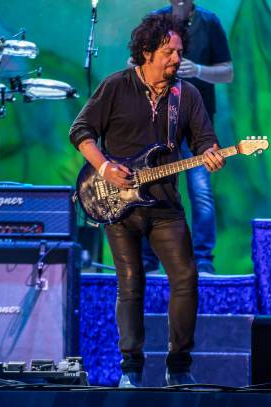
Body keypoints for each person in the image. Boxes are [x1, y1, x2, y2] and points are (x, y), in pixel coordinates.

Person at [69, 13, 225, 387]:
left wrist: (213, 152)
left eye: (179, 52)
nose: (176, 58)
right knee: (129, 282)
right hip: (116, 203)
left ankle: (179, 365)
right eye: (169, 52)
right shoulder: (115, 87)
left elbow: (204, 140)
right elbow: (80, 131)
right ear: (145, 52)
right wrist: (104, 167)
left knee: (187, 277)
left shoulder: (185, 95)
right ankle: (131, 369)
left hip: (165, 207)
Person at [140, 0, 233, 275]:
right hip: (157, 117)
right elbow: (133, 64)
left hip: (196, 121)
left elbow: (228, 72)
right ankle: (148, 257)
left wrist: (200, 71)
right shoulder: (155, 20)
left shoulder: (210, 22)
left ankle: (203, 258)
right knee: (150, 187)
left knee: (200, 190)